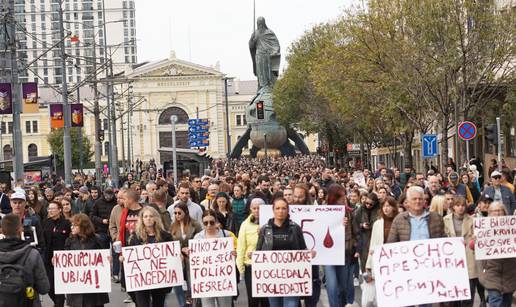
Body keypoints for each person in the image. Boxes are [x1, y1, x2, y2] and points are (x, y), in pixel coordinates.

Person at [256, 197, 311, 307]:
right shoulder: (264, 229)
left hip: (292, 276)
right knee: (274, 304)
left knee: (291, 304)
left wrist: (309, 253)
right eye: (278, 208)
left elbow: (303, 249)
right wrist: (252, 255)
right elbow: (259, 251)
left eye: (284, 208)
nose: (281, 211)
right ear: (273, 210)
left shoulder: (295, 228)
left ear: (288, 210)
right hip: (272, 276)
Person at [124, 207, 173, 307]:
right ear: (142, 219)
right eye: (145, 216)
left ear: (156, 218)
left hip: (160, 280)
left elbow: (171, 255)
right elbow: (130, 257)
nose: (148, 218)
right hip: (141, 281)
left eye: (151, 216)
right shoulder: (135, 237)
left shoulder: (166, 236)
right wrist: (124, 258)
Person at [0, 214, 50, 307]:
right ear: (21, 229)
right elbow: (44, 288)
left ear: (1, 231)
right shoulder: (32, 254)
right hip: (28, 302)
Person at [193, 210, 237, 307]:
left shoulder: (227, 235)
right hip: (205, 281)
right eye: (205, 223)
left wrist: (235, 253)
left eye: (211, 222)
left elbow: (238, 250)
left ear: (216, 221)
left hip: (224, 280)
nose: (209, 225)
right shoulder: (198, 237)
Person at [63, 214, 109, 307]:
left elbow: (103, 259)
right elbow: (65, 260)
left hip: (93, 289)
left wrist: (107, 260)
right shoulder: (70, 240)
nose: (72, 227)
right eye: (71, 225)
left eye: (75, 225)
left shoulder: (96, 240)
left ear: (83, 226)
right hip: (76, 286)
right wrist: (57, 260)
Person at [477, 202, 516, 307]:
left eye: (500, 210)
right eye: (494, 211)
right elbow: (473, 246)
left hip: (510, 271)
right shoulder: (482, 227)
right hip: (492, 270)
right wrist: (475, 240)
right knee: (495, 301)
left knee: (506, 302)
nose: (497, 213)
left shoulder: (512, 226)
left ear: (504, 212)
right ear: (489, 213)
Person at [324, 184, 357, 307]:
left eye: (344, 196)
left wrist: (354, 245)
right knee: (332, 285)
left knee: (343, 286)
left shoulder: (349, 212)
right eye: (341, 197)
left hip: (344, 253)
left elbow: (355, 232)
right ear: (334, 198)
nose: (344, 199)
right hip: (329, 254)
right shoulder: (323, 211)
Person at [443, 196, 479, 307]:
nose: (461, 208)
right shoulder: (445, 220)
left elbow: (477, 239)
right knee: (454, 297)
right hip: (452, 260)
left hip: (469, 258)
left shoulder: (472, 220)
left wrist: (475, 238)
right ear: (453, 207)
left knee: (468, 295)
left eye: (463, 205)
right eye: (458, 205)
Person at [237, 198, 269, 307]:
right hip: (250, 266)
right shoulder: (245, 225)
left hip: (268, 265)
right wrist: (240, 268)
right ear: (250, 209)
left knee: (266, 299)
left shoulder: (272, 223)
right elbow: (241, 246)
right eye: (254, 208)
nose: (256, 211)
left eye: (259, 208)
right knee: (253, 299)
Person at [169, 203, 202, 306]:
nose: (177, 215)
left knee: (192, 285)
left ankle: (195, 303)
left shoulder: (195, 224)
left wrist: (192, 248)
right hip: (178, 260)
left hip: (192, 260)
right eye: (175, 213)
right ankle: (183, 304)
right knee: (179, 285)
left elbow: (201, 240)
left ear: (186, 212)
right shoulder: (173, 226)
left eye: (179, 213)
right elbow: (170, 243)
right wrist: (179, 251)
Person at [42, 201, 71, 307]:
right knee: (49, 286)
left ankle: (59, 304)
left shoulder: (66, 223)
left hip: (62, 259)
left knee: (59, 285)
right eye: (49, 209)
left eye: (53, 208)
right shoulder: (46, 222)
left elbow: (70, 240)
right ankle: (57, 301)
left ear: (59, 210)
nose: (51, 211)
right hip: (48, 258)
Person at [365, 197, 399, 280]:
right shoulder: (377, 223)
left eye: (388, 206)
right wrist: (369, 264)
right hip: (381, 258)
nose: (385, 208)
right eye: (384, 206)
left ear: (394, 207)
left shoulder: (399, 221)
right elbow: (373, 244)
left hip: (396, 258)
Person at [354, 192, 380, 274]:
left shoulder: (378, 210)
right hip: (363, 239)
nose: (368, 205)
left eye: (370, 204)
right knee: (364, 263)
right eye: (366, 203)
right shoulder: (360, 209)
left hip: (375, 238)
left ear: (375, 204)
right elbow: (354, 224)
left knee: (376, 262)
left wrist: (372, 226)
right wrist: (362, 225)